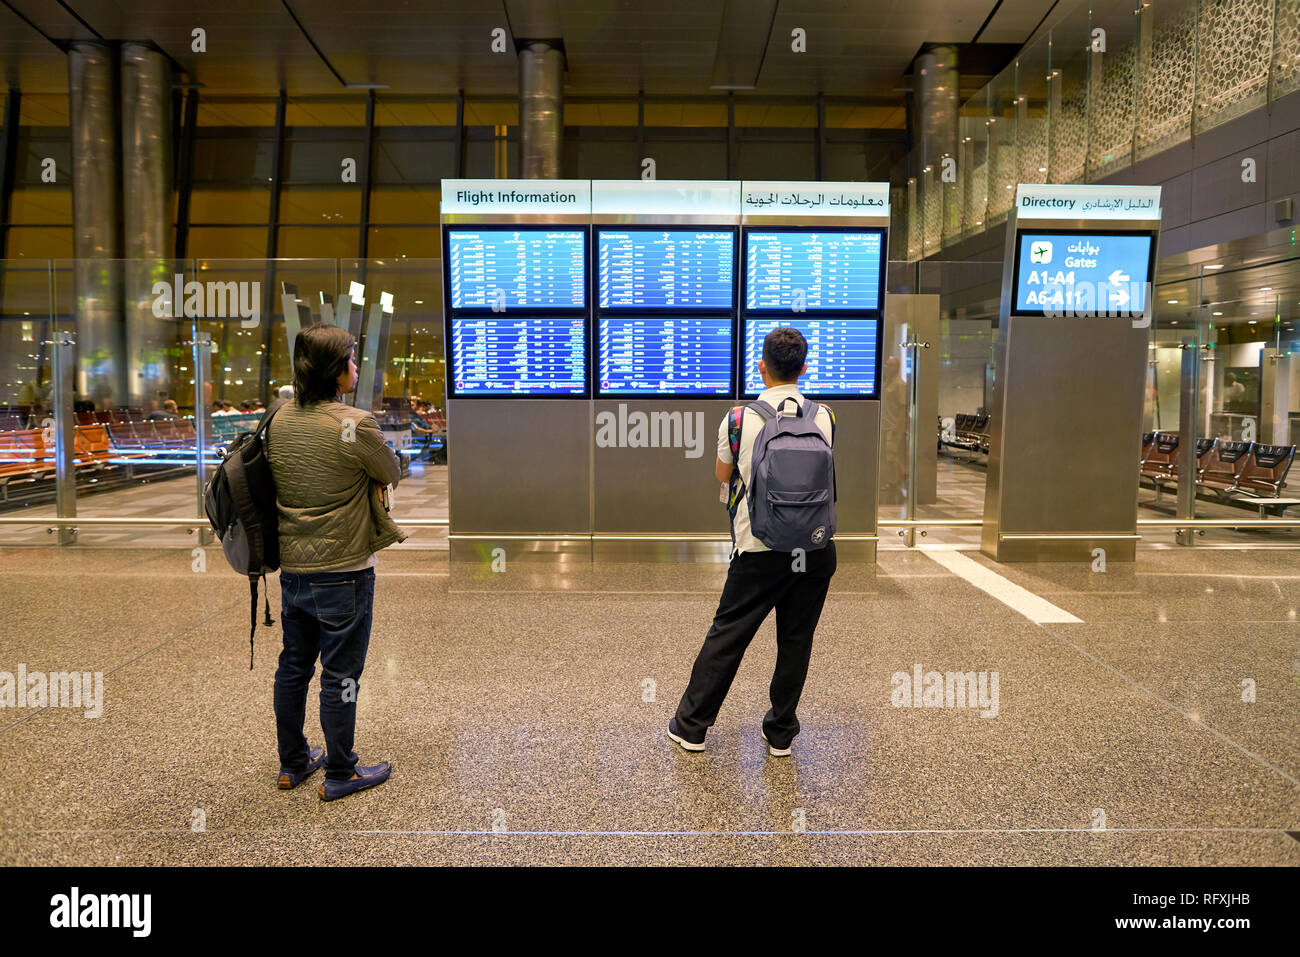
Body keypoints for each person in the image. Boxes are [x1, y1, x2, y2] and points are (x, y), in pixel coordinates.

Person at [668, 327, 837, 757]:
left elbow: (723, 476)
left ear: (761, 367)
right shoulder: (824, 417)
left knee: (728, 635)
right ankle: (780, 733)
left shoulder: (740, 418)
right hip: (813, 551)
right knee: (796, 640)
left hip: (758, 549)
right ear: (803, 368)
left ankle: (692, 727)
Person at [266, 323, 406, 801]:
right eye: (350, 357)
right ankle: (342, 771)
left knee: (293, 667)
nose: (355, 365)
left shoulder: (278, 420)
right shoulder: (354, 423)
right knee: (340, 674)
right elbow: (390, 471)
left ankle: (293, 763)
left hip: (293, 569)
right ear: (334, 368)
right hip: (344, 569)